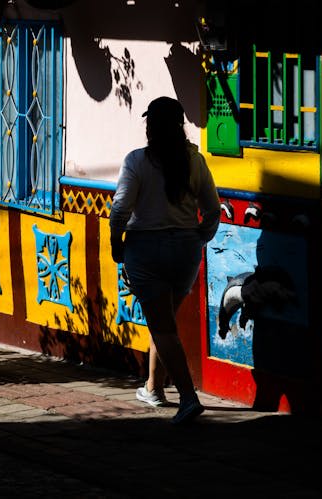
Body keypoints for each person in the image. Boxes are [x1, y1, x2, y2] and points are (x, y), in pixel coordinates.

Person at [109, 96, 220, 425]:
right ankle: (154, 388)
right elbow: (212, 209)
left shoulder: (137, 161)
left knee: (161, 325)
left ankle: (188, 398)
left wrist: (117, 244)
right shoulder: (194, 161)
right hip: (185, 249)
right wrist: (201, 236)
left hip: (146, 249)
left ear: (150, 126)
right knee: (165, 323)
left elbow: (120, 210)